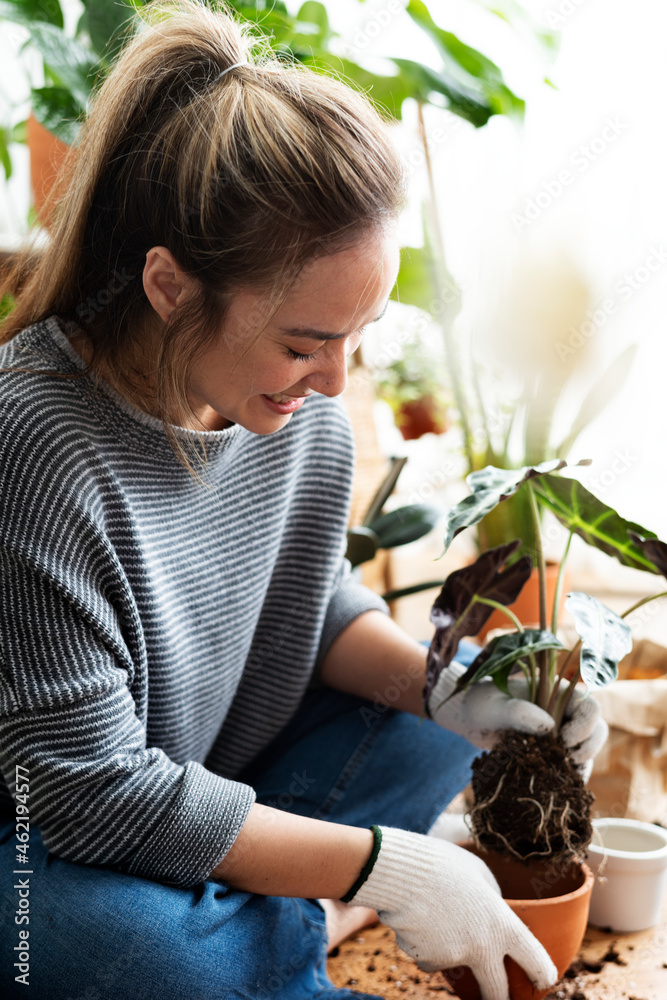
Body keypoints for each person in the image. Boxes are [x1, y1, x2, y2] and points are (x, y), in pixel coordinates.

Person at [0, 2, 607, 998]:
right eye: (302, 342)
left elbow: (300, 602)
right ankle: (299, 920)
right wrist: (383, 866)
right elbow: (94, 796)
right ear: (168, 286)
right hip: (47, 840)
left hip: (207, 777)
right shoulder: (33, 446)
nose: (336, 381)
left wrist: (456, 690)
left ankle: (272, 909)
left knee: (438, 747)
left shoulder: (291, 409)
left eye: (357, 334)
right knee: (135, 955)